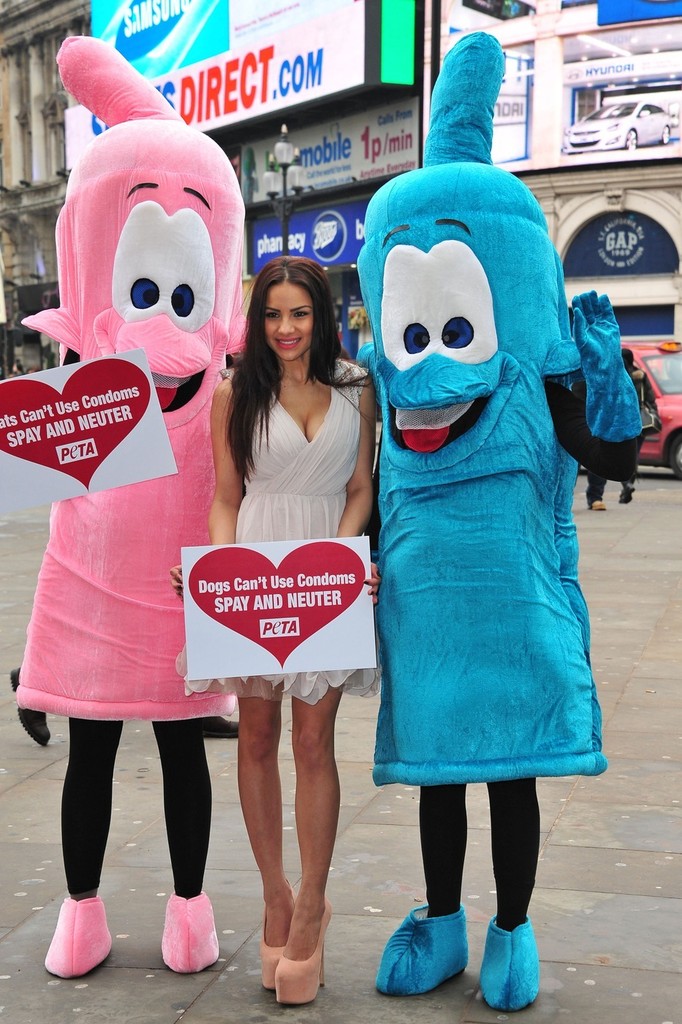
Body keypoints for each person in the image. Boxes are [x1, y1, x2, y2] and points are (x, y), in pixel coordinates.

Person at [355, 33, 641, 1015]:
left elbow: (606, 455)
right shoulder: (380, 400)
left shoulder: (538, 379)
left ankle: (508, 926)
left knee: (506, 774)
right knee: (441, 774)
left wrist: (602, 382)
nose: (429, 365)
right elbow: (351, 485)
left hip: (508, 597)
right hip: (427, 606)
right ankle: (441, 917)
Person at [172, 255, 380, 1006]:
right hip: (255, 580)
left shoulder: (358, 389)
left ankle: (313, 907)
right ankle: (273, 894)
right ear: (257, 321)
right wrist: (219, 573)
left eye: (299, 313)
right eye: (271, 314)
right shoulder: (235, 393)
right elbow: (226, 499)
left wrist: (350, 558)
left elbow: (360, 489)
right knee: (256, 740)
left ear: (323, 317)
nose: (285, 329)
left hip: (324, 579)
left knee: (313, 743)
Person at [583, 348, 658, 509]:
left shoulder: (610, 373)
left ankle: (596, 497)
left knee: (601, 458)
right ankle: (626, 486)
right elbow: (650, 400)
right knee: (629, 458)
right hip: (635, 424)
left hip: (609, 422)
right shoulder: (639, 376)